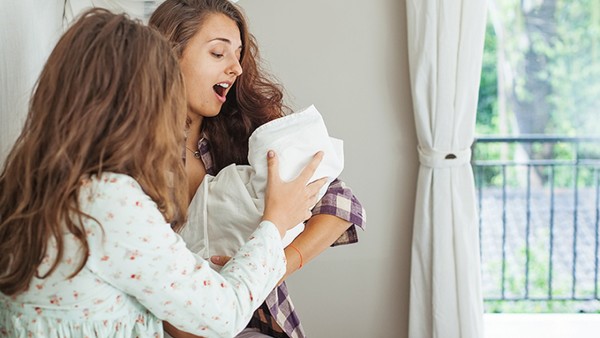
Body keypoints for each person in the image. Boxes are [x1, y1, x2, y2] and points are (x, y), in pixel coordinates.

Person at [0, 8, 327, 338]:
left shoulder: (21, 185)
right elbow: (222, 314)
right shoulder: (110, 200)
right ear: (138, 98)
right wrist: (274, 223)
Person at [149, 1, 367, 337]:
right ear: (169, 54)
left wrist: (271, 266)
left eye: (238, 55)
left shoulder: (251, 135)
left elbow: (339, 202)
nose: (236, 68)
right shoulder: (134, 153)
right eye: (219, 54)